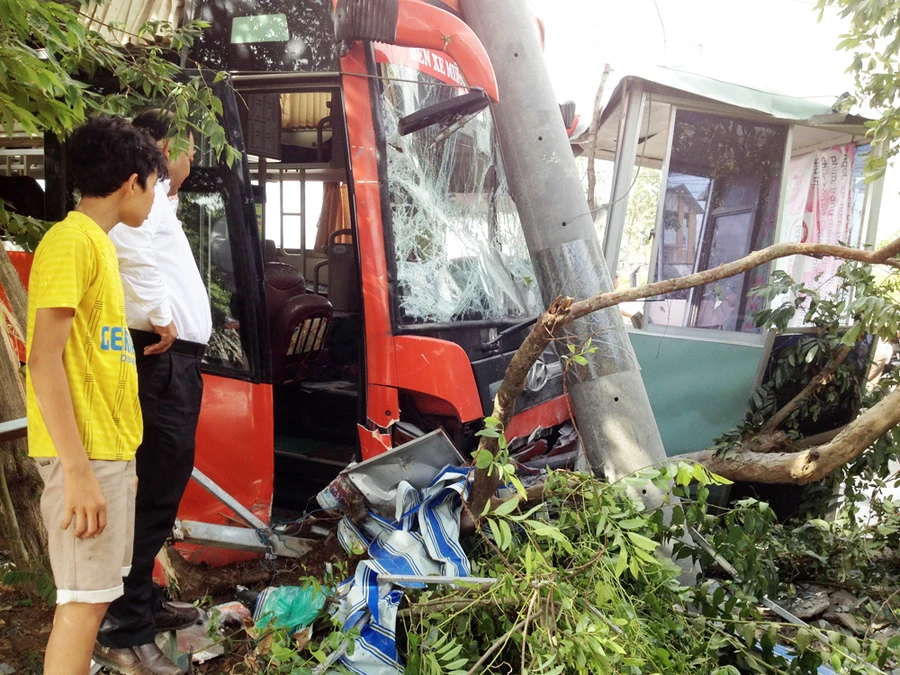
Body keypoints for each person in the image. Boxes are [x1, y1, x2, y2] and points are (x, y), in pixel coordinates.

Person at [26, 115, 164, 675]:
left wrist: (120, 461)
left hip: (105, 453)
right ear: (132, 182)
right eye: (155, 185)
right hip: (81, 455)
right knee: (81, 606)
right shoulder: (70, 242)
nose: (155, 199)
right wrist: (79, 470)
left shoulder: (100, 246)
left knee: (96, 595)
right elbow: (43, 359)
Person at [94, 110, 212, 675]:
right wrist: (167, 317)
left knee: (161, 489)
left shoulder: (158, 198)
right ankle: (125, 633)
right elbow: (135, 253)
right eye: (188, 150)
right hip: (160, 361)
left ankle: (144, 602)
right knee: (154, 492)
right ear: (167, 150)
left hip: (174, 363)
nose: (193, 162)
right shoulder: (143, 197)